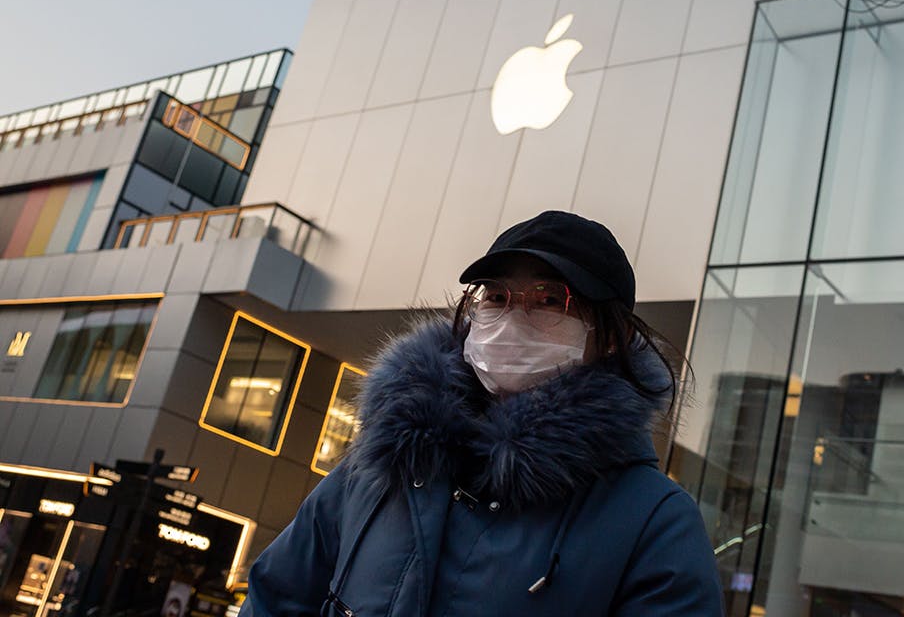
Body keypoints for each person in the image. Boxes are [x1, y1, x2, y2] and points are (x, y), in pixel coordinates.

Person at [242, 210, 723, 617]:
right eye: (495, 296)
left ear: (611, 337)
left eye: (550, 299)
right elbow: (275, 596)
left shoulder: (654, 522)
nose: (513, 316)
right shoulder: (384, 462)